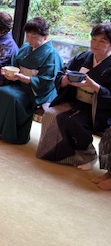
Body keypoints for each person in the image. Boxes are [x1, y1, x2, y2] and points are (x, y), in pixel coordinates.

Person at [0, 17, 62, 144]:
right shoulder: (26, 47)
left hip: (35, 91)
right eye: (28, 36)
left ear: (45, 36)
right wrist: (7, 72)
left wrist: (22, 77)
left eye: (34, 37)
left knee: (11, 97)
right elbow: (14, 63)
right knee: (0, 91)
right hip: (19, 84)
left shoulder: (52, 55)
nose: (29, 40)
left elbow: (47, 81)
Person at [36, 23, 111, 173]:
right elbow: (61, 74)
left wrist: (95, 86)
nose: (95, 44)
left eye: (102, 41)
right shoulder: (83, 57)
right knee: (51, 113)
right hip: (75, 100)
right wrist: (65, 80)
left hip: (98, 108)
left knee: (71, 120)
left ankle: (88, 154)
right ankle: (57, 152)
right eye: (94, 39)